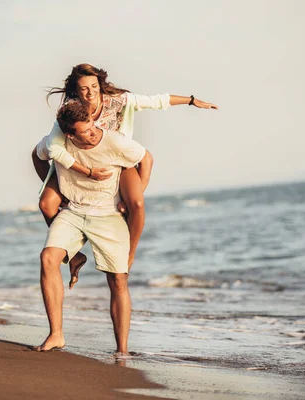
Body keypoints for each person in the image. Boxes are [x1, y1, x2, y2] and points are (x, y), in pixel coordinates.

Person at [34, 63, 217, 289]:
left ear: (100, 85)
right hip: (79, 163)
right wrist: (71, 182)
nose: (90, 93)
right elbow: (52, 149)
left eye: (94, 86)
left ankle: (128, 256)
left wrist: (190, 100)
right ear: (76, 90)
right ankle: (74, 255)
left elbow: (157, 101)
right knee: (47, 204)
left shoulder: (120, 100)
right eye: (83, 89)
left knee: (137, 203)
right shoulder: (71, 113)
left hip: (116, 160)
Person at [32, 100, 153, 355]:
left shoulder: (114, 142)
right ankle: (56, 335)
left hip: (108, 213)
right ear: (69, 135)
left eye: (92, 126)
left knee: (118, 279)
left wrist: (135, 192)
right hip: (73, 211)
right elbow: (36, 154)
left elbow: (146, 159)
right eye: (85, 132)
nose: (93, 133)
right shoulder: (57, 144)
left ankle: (122, 350)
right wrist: (53, 185)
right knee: (48, 258)